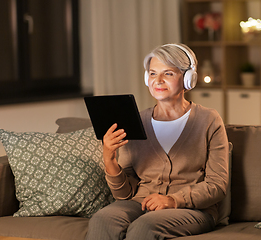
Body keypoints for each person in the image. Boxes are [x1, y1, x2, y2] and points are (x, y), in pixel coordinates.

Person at [86, 43, 229, 240]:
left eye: (168, 73)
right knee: (102, 219)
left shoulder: (209, 120)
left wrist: (173, 200)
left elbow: (217, 185)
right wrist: (109, 159)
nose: (158, 81)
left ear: (188, 79)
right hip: (140, 202)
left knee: (145, 226)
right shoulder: (136, 121)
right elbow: (125, 195)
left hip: (193, 210)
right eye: (153, 73)